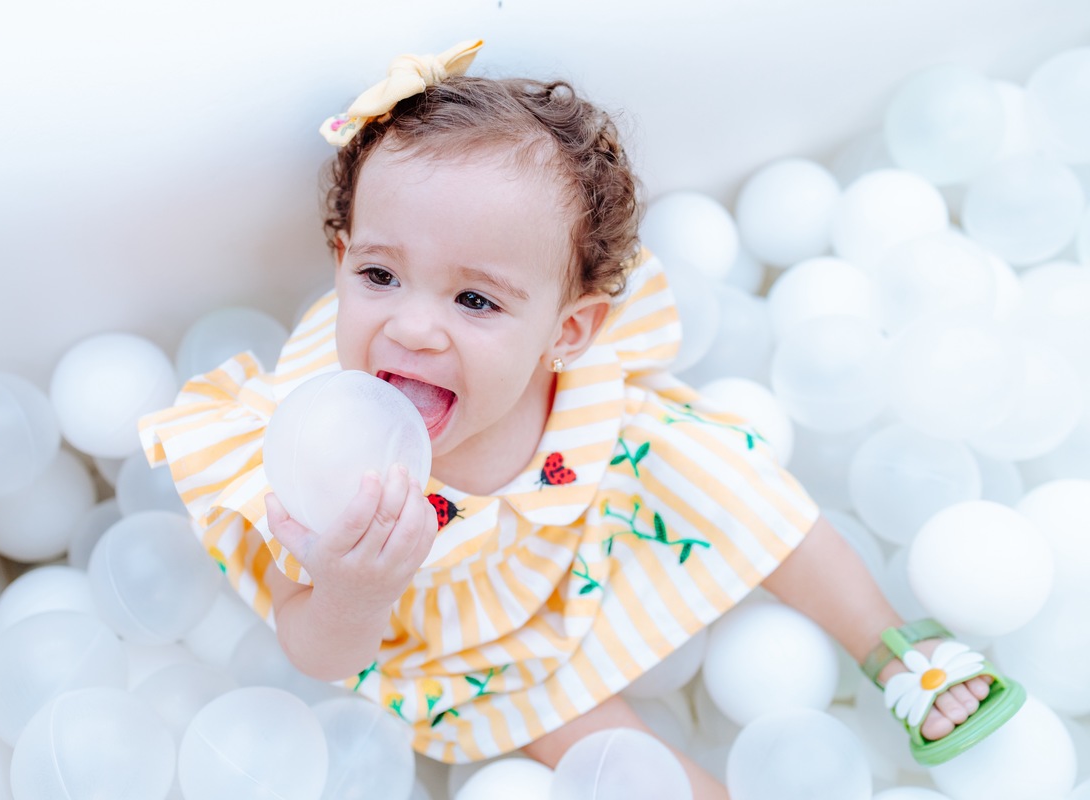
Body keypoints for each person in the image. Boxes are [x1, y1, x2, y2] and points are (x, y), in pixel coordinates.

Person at [139, 39, 1022, 799]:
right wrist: (353, 588)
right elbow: (317, 652)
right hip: (480, 625)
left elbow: (690, 467)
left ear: (564, 333)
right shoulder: (308, 451)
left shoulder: (578, 379)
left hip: (602, 494)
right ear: (341, 260)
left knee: (734, 483)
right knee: (584, 738)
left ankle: (892, 646)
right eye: (378, 276)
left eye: (475, 298)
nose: (410, 325)